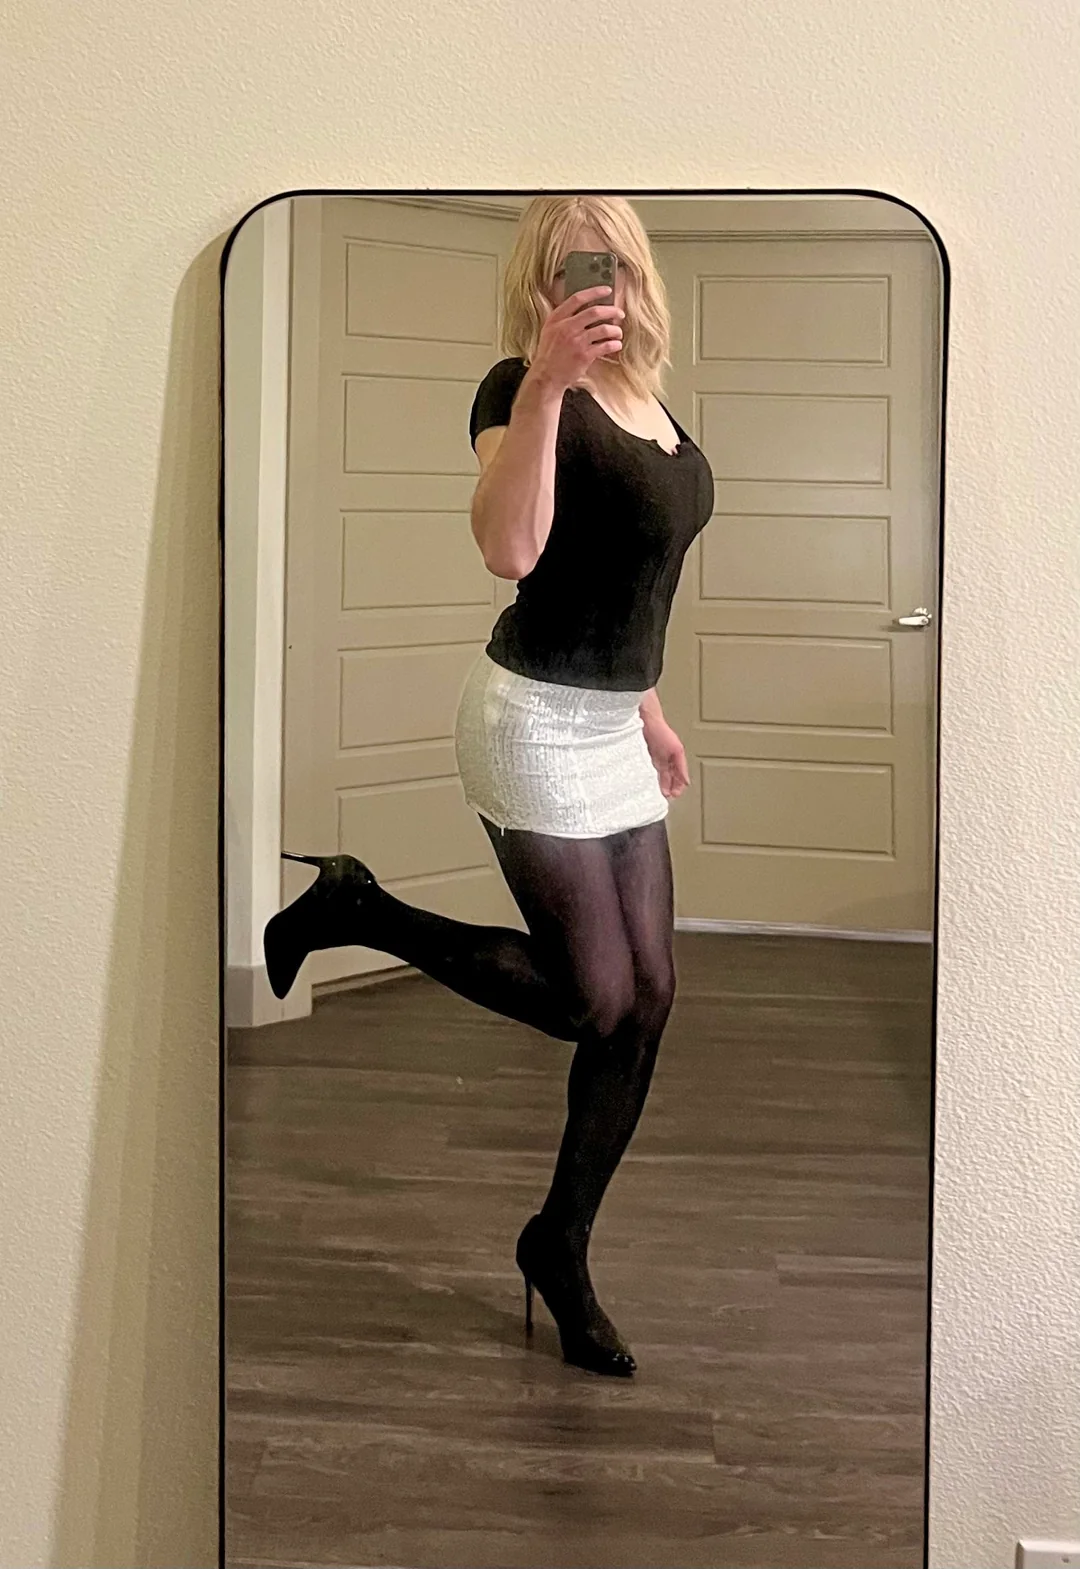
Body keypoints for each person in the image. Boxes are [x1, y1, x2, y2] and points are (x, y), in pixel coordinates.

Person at [263, 195, 715, 1378]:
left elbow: (633, 583)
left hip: (612, 724)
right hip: (531, 723)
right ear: (541, 280)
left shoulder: (655, 405)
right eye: (576, 264)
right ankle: (360, 909)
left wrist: (651, 713)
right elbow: (511, 552)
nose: (600, 282)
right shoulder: (517, 390)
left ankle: (559, 1244)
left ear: (639, 271)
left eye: (615, 261)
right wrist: (547, 387)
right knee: (591, 999)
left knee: (650, 997)